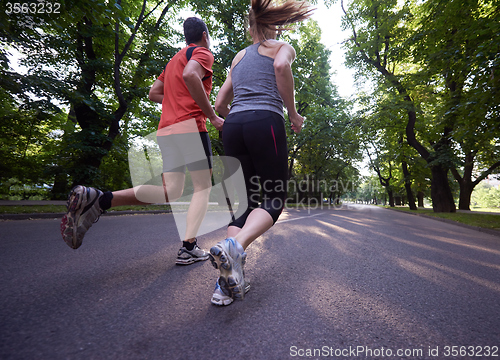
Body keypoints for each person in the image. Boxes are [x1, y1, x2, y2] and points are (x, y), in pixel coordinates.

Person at [60, 17, 225, 266]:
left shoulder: (173, 62)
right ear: (204, 35)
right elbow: (192, 76)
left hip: (168, 130)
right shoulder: (202, 53)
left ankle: (102, 198)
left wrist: (178, 103)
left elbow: (153, 93)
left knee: (172, 192)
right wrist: (211, 115)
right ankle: (189, 247)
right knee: (202, 187)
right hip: (191, 127)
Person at [209, 0, 313, 305]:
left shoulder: (238, 57)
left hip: (233, 125)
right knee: (273, 199)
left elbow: (218, 105)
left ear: (250, 25)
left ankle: (224, 285)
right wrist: (293, 114)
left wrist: (237, 118)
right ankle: (235, 247)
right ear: (275, 23)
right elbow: (281, 68)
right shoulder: (283, 47)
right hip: (263, 120)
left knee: (243, 203)